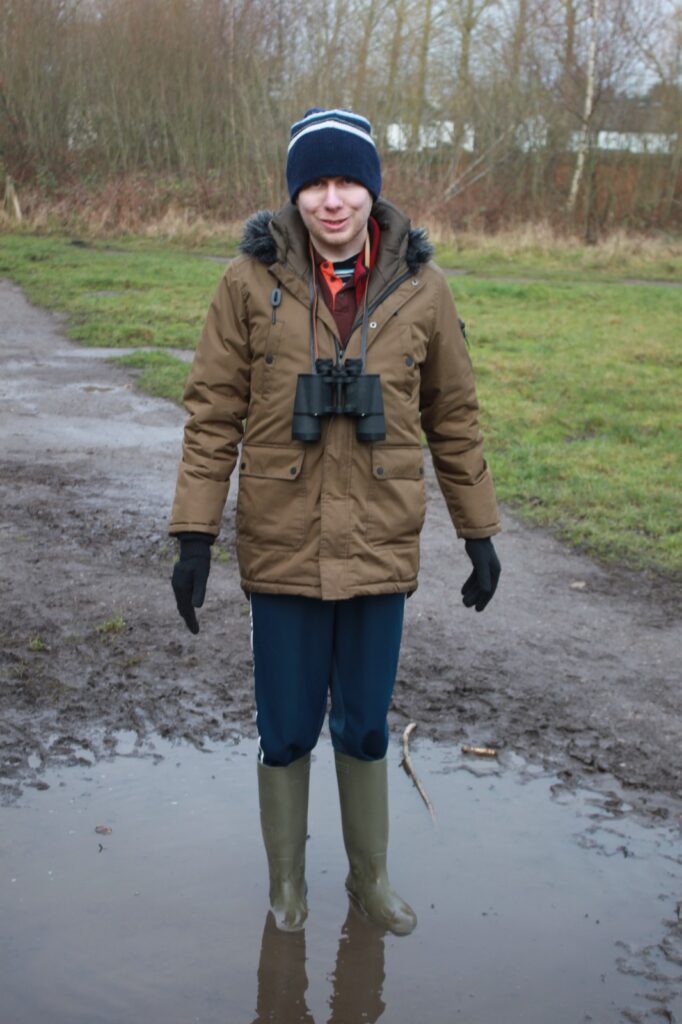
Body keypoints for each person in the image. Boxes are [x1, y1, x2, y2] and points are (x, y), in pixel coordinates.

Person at [169, 108, 501, 937]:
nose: (331, 200)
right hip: (283, 544)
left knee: (363, 720)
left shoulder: (423, 288)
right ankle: (288, 889)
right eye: (313, 183)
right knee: (283, 728)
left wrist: (479, 532)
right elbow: (212, 415)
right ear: (294, 194)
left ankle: (370, 880)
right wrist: (195, 536)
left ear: (372, 190)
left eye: (347, 180)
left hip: (379, 544)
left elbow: (453, 415)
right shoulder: (248, 283)